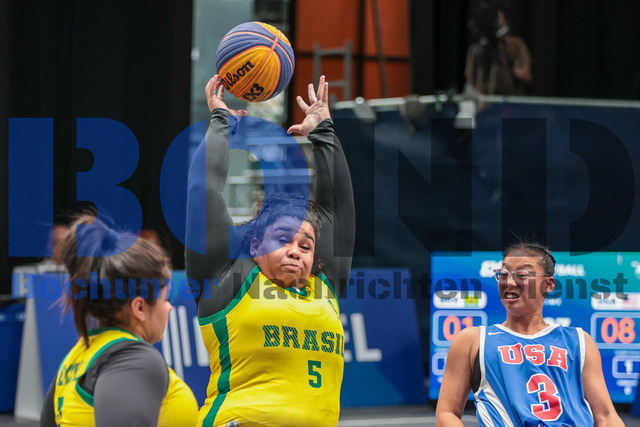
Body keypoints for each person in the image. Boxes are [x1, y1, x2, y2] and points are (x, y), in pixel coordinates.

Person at [185, 74, 355, 426]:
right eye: (282, 239)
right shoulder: (226, 281)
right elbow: (204, 191)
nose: (296, 251)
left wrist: (324, 132)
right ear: (254, 244)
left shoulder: (325, 287)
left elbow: (337, 210)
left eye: (305, 245)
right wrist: (221, 123)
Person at [435, 241, 625, 426]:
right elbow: (446, 413)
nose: (510, 282)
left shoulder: (579, 341)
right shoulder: (473, 341)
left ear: (548, 284)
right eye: (503, 274)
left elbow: (606, 415)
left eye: (522, 275)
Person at [40, 215, 198, 426]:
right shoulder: (134, 359)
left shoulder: (74, 361)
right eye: (165, 298)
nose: (169, 307)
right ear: (140, 307)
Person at [464, 1, 532, 95]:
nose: (496, 20)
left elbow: (527, 76)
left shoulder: (515, 44)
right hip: (486, 98)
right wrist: (480, 97)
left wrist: (516, 71)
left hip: (511, 97)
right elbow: (470, 80)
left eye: (498, 16)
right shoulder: (477, 49)